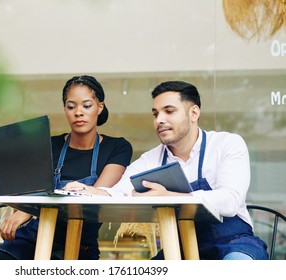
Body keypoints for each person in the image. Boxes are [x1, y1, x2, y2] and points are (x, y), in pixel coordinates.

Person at [100, 80, 268, 260]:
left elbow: (230, 200)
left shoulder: (227, 144)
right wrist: (93, 191)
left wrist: (171, 198)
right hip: (178, 248)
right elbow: (119, 193)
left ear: (194, 113)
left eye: (169, 111)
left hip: (234, 243)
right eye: (156, 114)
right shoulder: (150, 159)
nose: (159, 120)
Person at [0, 75, 133, 260]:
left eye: (87, 105)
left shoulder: (117, 148)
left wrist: (28, 210)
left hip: (80, 243)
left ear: (100, 107)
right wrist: (22, 211)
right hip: (34, 238)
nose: (78, 112)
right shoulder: (49, 145)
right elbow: (30, 193)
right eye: (71, 106)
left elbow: (93, 196)